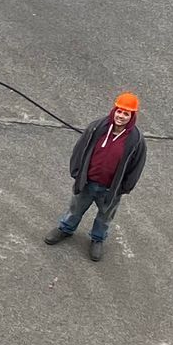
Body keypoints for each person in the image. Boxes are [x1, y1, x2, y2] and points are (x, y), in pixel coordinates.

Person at [47, 92, 146, 261]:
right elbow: (80, 149)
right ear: (114, 110)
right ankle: (65, 229)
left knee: (104, 217)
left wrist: (124, 188)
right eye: (119, 111)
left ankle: (97, 239)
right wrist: (77, 172)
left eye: (126, 113)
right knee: (75, 209)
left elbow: (136, 167)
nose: (121, 116)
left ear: (132, 116)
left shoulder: (136, 140)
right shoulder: (96, 128)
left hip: (110, 189)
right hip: (87, 183)